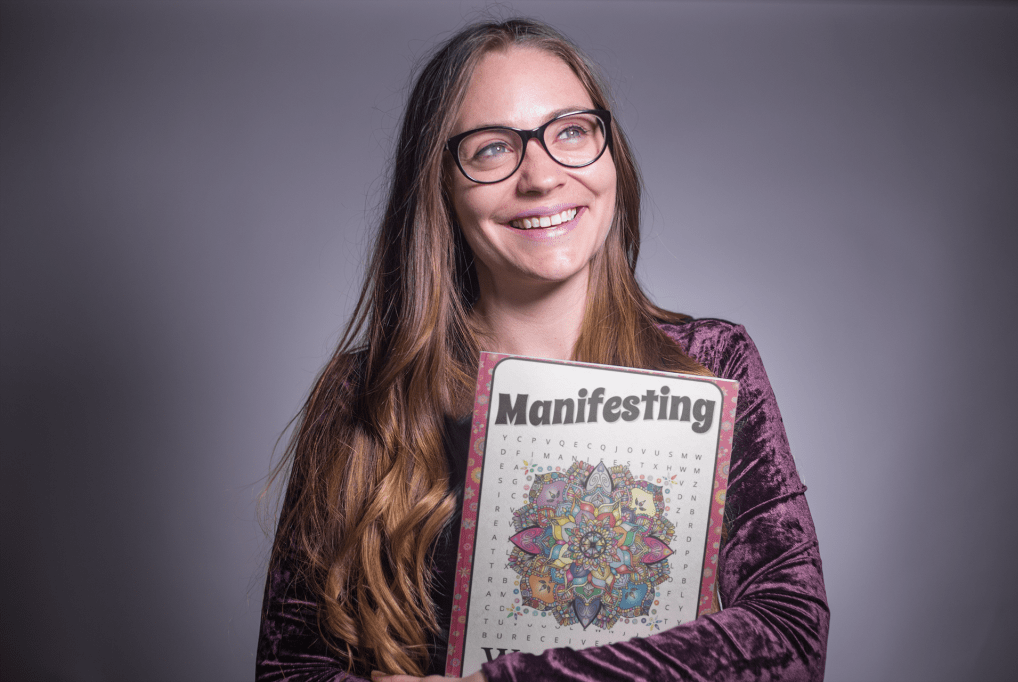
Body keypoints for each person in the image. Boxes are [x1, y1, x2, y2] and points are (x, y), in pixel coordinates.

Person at [257, 17, 828, 682]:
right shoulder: (365, 397)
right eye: (493, 149)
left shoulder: (711, 364)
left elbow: (789, 636)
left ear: (608, 151)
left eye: (570, 132)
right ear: (440, 184)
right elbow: (289, 669)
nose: (542, 176)